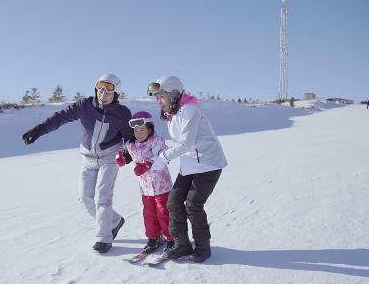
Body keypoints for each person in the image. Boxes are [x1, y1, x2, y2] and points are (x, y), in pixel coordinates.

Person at [22, 74, 133, 253]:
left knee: (103, 197)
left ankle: (104, 238)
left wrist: (128, 154)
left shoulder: (122, 113)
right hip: (88, 158)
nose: (102, 94)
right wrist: (39, 130)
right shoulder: (85, 105)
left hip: (110, 157)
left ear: (116, 94)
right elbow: (61, 117)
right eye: (100, 89)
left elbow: (130, 137)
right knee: (86, 198)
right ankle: (114, 221)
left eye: (108, 90)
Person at [147, 76, 227, 263]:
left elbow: (185, 143)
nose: (159, 101)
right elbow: (181, 144)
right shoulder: (174, 113)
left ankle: (203, 248)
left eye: (161, 96)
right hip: (190, 164)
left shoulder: (190, 111)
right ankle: (181, 244)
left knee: (193, 205)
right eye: (157, 97)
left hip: (208, 163)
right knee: (173, 203)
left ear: (173, 94)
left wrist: (162, 159)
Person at [116, 111, 174, 253]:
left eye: (142, 129)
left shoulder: (156, 141)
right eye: (136, 130)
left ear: (150, 129)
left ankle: (171, 239)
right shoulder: (131, 145)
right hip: (146, 188)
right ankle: (153, 238)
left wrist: (148, 164)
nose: (139, 133)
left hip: (162, 186)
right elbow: (127, 156)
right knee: (149, 213)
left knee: (163, 212)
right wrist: (122, 159)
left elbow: (167, 155)